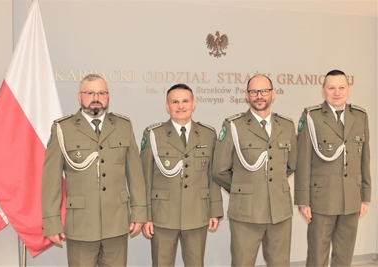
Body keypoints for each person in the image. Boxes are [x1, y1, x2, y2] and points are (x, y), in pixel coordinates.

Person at [41, 74, 147, 266]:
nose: (96, 98)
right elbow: (51, 181)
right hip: (81, 224)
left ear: (108, 97)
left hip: (116, 222)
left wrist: (139, 211)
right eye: (90, 93)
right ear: (79, 97)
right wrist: (51, 221)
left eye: (101, 93)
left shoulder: (123, 125)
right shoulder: (62, 129)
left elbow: (135, 174)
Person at [212, 74, 297, 266]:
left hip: (279, 211)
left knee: (281, 263)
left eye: (264, 91)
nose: (259, 96)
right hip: (246, 212)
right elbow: (219, 169)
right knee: (242, 263)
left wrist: (271, 185)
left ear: (273, 94)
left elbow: (291, 165)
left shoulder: (287, 125)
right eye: (254, 92)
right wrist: (243, 189)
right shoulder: (233, 125)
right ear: (247, 95)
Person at [140, 83, 223, 266]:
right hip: (162, 216)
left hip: (197, 213)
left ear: (193, 103)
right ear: (167, 105)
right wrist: (145, 215)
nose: (180, 106)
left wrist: (214, 211)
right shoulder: (153, 134)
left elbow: (213, 176)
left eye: (185, 101)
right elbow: (144, 179)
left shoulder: (208, 134)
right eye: (175, 102)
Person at [294, 69, 371, 267]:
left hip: (351, 198)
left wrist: (365, 195)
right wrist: (303, 199)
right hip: (322, 199)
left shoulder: (360, 116)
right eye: (331, 88)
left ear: (348, 89)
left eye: (341, 87)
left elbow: (364, 158)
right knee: (318, 255)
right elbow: (302, 160)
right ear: (323, 90)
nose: (337, 92)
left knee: (345, 255)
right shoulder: (312, 116)